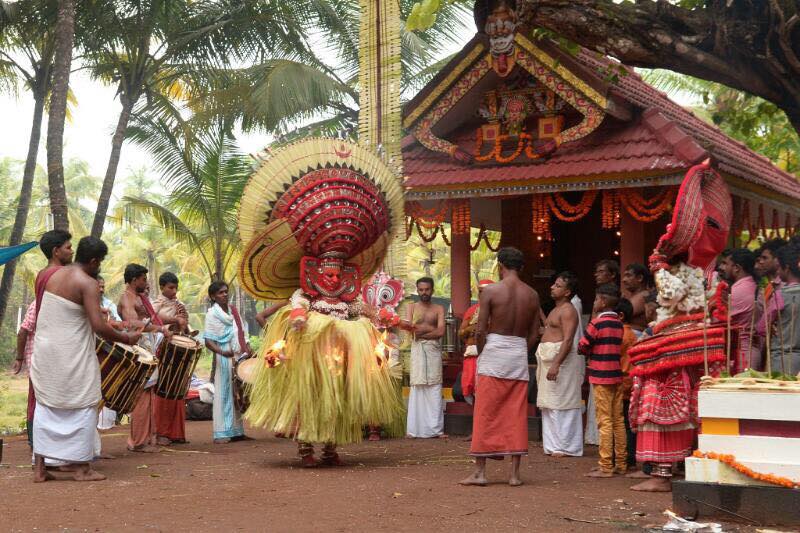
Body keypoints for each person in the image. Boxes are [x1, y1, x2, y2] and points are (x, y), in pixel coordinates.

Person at [30, 236, 141, 482]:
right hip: (71, 354)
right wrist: (127, 338)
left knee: (46, 408)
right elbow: (98, 326)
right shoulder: (87, 283)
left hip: (46, 352)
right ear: (93, 260)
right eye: (100, 262)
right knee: (85, 404)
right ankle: (82, 468)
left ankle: (40, 469)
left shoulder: (51, 275)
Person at [460, 247, 540, 487]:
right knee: (515, 412)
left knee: (486, 412)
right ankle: (514, 475)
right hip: (517, 352)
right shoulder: (533, 294)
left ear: (500, 265)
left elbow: (481, 329)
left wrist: (484, 351)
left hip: (494, 350)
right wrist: (520, 350)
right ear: (521, 267)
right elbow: (535, 333)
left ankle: (480, 473)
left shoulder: (491, 291)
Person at [13, 230, 74, 447]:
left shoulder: (43, 275)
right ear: (56, 251)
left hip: (48, 348)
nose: (71, 250)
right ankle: (43, 445)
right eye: (68, 247)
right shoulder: (56, 276)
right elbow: (25, 329)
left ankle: (43, 447)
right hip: (50, 349)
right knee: (45, 400)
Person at [118, 264, 171, 452]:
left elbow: (152, 319)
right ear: (134, 280)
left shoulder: (140, 298)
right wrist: (157, 328)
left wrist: (169, 322)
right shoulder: (127, 298)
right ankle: (138, 441)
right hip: (139, 351)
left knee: (148, 395)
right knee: (141, 396)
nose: (146, 282)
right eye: (143, 279)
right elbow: (132, 324)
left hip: (147, 349)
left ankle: (148, 438)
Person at [579, 283, 626, 478]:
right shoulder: (619, 323)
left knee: (604, 421)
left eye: (597, 299)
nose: (595, 302)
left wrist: (588, 351)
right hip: (616, 374)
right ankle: (621, 463)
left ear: (603, 301)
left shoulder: (597, 323)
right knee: (618, 421)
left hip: (601, 374)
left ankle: (605, 465)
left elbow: (583, 345)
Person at [535, 271, 583, 457]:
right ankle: (554, 445)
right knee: (550, 404)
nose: (552, 288)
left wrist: (556, 363)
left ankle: (566, 446)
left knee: (562, 402)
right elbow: (547, 327)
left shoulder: (568, 310)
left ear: (567, 292)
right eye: (554, 285)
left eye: (558, 286)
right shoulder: (555, 309)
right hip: (548, 360)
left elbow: (568, 339)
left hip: (560, 362)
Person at [203, 280, 250, 443]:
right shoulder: (212, 314)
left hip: (237, 354)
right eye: (221, 293)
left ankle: (237, 431)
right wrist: (223, 352)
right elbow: (208, 341)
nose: (225, 294)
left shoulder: (233, 311)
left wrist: (247, 347)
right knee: (224, 392)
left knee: (237, 392)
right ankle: (222, 432)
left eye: (226, 291)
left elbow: (242, 330)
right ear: (213, 296)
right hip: (224, 355)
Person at [151, 272, 191, 445]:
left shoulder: (179, 304)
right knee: (164, 388)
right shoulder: (156, 303)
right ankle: (161, 432)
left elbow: (185, 327)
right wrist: (175, 318)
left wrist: (184, 320)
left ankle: (176, 432)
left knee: (178, 389)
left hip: (179, 347)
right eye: (170, 287)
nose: (174, 291)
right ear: (162, 287)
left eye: (176, 287)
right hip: (164, 347)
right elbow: (153, 318)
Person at [405, 277, 447, 439]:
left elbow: (441, 332)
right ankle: (413, 430)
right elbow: (410, 331)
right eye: (421, 290)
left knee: (435, 386)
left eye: (427, 290)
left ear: (432, 290)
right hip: (417, 350)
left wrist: (422, 333)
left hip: (433, 350)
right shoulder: (411, 307)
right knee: (418, 386)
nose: (424, 293)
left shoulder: (438, 309)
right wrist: (426, 333)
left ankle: (436, 430)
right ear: (417, 290)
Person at [717, 248, 761, 372]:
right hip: (750, 352)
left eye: (725, 263)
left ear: (737, 268)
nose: (721, 267)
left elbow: (718, 321)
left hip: (743, 355)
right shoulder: (751, 285)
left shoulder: (738, 291)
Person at [763, 245, 800, 376]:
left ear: (787, 268)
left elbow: (761, 327)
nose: (777, 272)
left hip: (782, 359)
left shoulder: (779, 295)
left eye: (779, 267)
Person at [615, 298, 640, 475]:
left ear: (621, 316)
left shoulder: (621, 335)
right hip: (630, 380)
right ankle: (628, 458)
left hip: (622, 381)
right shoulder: (632, 334)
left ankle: (624, 458)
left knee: (621, 421)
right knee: (627, 421)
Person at [459, 279, 494, 405]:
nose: (482, 295)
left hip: (490, 351)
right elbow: (461, 333)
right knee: (469, 381)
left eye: (485, 292)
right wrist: (471, 328)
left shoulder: (498, 310)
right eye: (480, 292)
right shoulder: (471, 310)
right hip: (472, 350)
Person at [621, 264, 651, 331]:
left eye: (628, 275)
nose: (624, 280)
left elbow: (621, 315)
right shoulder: (635, 296)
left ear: (640, 278)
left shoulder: (644, 295)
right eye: (624, 276)